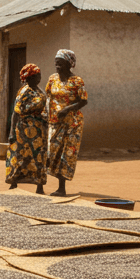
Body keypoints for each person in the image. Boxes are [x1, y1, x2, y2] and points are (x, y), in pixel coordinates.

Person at [46, 49, 87, 196]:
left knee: (66, 153)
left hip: (72, 124)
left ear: (69, 64)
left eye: (61, 63)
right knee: (51, 151)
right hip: (55, 122)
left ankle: (61, 188)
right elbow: (48, 97)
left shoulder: (77, 81)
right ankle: (42, 184)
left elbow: (83, 101)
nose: (58, 66)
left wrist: (67, 109)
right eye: (56, 63)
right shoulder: (52, 79)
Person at [6, 63, 48, 192]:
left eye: (39, 75)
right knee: (19, 155)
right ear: (29, 78)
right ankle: (13, 182)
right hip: (23, 129)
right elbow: (15, 113)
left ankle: (39, 185)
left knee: (39, 156)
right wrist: (12, 132)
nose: (39, 77)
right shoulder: (24, 91)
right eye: (36, 75)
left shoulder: (39, 91)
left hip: (39, 130)